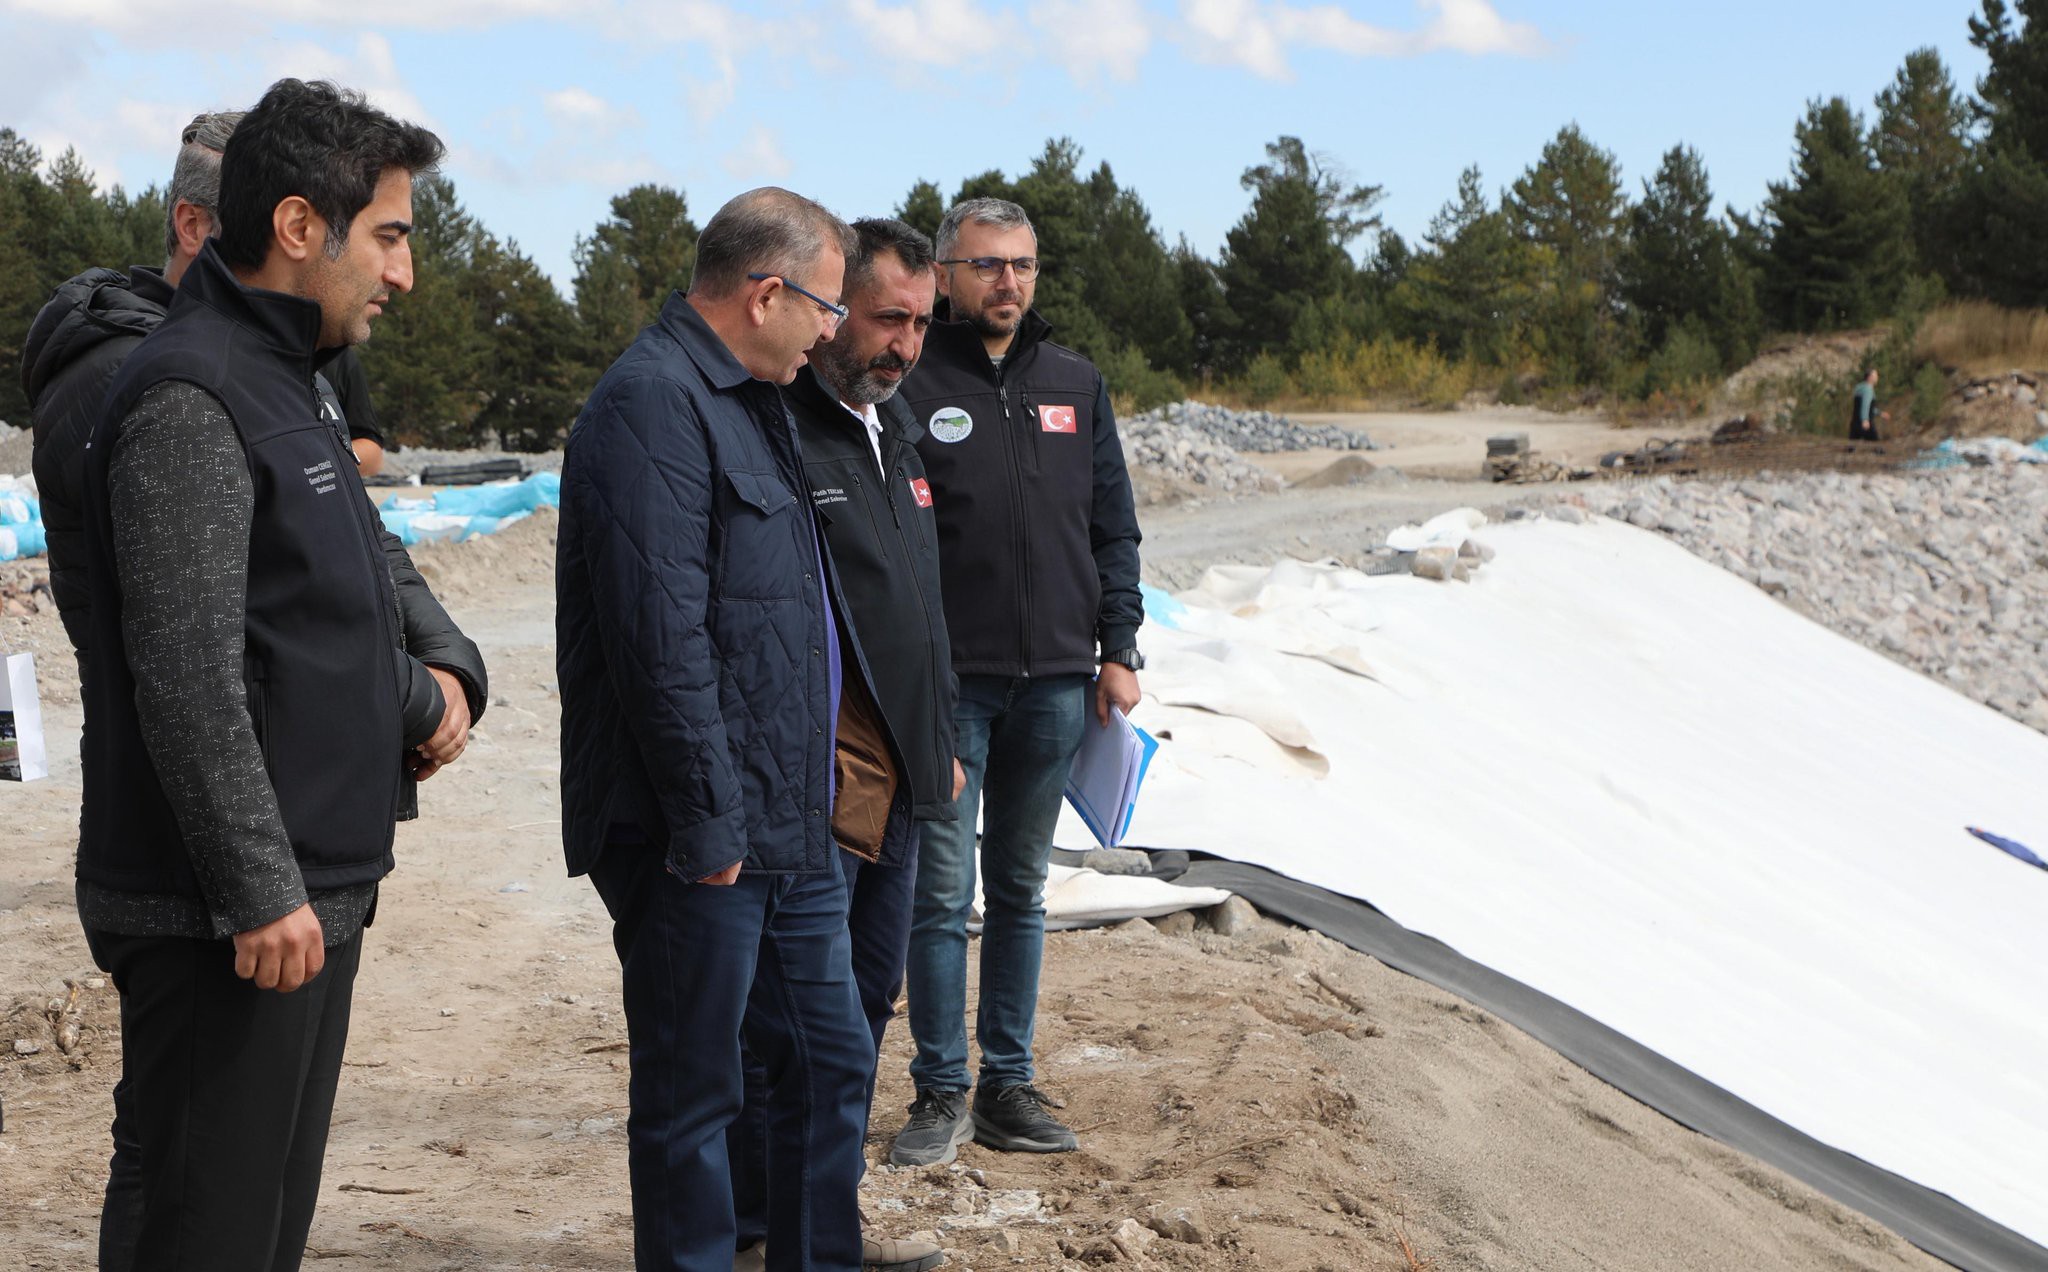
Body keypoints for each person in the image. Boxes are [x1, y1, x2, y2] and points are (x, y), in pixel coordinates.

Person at [25, 107, 487, 1272]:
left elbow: (344, 595)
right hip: (225, 916)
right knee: (202, 1230)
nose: (404, 270)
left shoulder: (292, 383)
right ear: (297, 226)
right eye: (386, 235)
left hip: (305, 892)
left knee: (256, 1231)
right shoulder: (193, 393)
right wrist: (256, 885)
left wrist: (441, 680)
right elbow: (184, 669)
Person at [557, 188, 875, 1272]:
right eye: (826, 308)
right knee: (695, 1098)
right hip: (697, 837)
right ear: (765, 291)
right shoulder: (649, 406)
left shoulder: (754, 398)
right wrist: (707, 828)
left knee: (831, 1064)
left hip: (788, 827)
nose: (834, 331)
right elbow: (661, 639)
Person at [888, 198, 1144, 1167]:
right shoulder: (910, 381)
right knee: (941, 896)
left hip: (1053, 687)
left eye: (1023, 266)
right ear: (946, 272)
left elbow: (1111, 528)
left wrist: (1117, 647)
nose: (1007, 283)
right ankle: (937, 1091)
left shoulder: (1074, 384)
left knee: (1022, 890)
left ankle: (1005, 1085)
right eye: (988, 265)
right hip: (950, 686)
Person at [731, 218, 961, 1272]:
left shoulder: (893, 429)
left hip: (905, 782)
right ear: (829, 313)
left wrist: (941, 737)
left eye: (918, 323)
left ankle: (813, 1226)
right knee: (796, 1034)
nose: (902, 345)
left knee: (862, 1010)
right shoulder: (785, 432)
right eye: (883, 320)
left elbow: (920, 607)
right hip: (822, 786)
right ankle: (761, 1225)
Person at [1850, 367, 1888, 442]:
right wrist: (1865, 420)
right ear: (1870, 377)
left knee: (1851, 447)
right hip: (1865, 423)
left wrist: (1880, 413)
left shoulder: (1859, 387)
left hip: (1855, 422)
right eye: (1876, 376)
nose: (1877, 378)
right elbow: (1865, 405)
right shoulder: (1868, 389)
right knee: (1877, 446)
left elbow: (1868, 407)